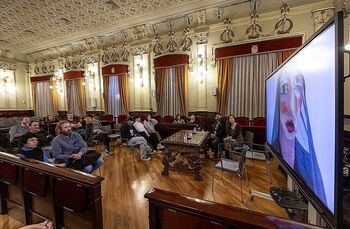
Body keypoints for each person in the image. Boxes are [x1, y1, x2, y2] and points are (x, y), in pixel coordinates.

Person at [270, 69, 327, 204]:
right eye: (284, 89)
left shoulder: (309, 163)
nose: (291, 106)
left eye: (297, 87)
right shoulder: (274, 147)